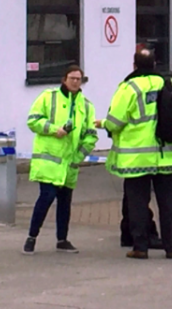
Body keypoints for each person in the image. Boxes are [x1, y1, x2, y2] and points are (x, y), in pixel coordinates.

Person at [97, 49, 172, 259]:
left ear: (134, 65)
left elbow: (115, 121)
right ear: (155, 64)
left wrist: (102, 124)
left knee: (138, 203)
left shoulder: (129, 88)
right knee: (167, 203)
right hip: (167, 155)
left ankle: (140, 247)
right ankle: (171, 247)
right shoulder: (170, 84)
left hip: (137, 158)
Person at [23, 65, 98, 254]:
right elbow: (33, 120)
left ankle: (62, 240)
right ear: (64, 79)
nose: (75, 82)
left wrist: (79, 155)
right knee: (46, 197)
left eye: (78, 79)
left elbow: (90, 135)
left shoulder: (86, 106)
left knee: (65, 202)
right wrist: (53, 129)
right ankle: (31, 237)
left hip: (70, 163)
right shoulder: (49, 97)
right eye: (72, 78)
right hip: (49, 161)